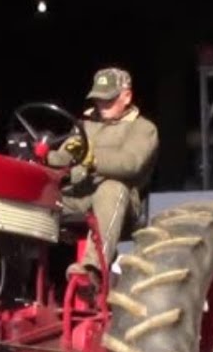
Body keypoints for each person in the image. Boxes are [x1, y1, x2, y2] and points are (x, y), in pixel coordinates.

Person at [48, 66, 159, 289]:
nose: (102, 105)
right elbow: (63, 158)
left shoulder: (143, 128)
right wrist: (45, 154)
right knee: (34, 193)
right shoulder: (85, 125)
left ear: (126, 96)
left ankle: (92, 271)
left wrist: (93, 159)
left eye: (109, 99)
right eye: (98, 99)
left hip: (122, 201)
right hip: (78, 194)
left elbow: (132, 163)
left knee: (112, 187)